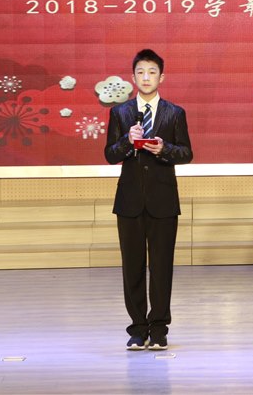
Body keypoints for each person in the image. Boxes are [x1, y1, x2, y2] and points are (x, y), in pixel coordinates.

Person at [105, 49, 193, 351]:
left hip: (163, 200)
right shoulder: (120, 113)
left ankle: (159, 328)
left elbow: (186, 153)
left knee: (161, 267)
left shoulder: (174, 113)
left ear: (161, 77)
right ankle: (137, 328)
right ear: (133, 77)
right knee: (132, 267)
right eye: (141, 72)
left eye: (152, 72)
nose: (146, 77)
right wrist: (127, 141)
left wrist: (163, 148)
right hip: (129, 201)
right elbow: (109, 154)